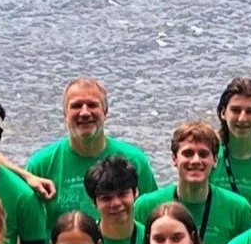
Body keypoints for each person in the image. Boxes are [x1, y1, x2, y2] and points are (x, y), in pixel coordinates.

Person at [25, 79, 158, 219]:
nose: (84, 112)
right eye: (76, 106)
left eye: (92, 105)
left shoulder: (135, 161)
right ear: (65, 114)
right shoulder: (41, 165)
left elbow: (153, 218)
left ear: (105, 111)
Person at [134, 121, 251, 244]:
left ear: (215, 160)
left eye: (203, 154)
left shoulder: (239, 209)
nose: (196, 160)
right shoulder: (145, 207)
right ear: (174, 159)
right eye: (188, 153)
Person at [214, 77, 251, 203]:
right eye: (235, 110)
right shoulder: (208, 163)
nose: (242, 118)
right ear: (223, 113)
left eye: (250, 111)